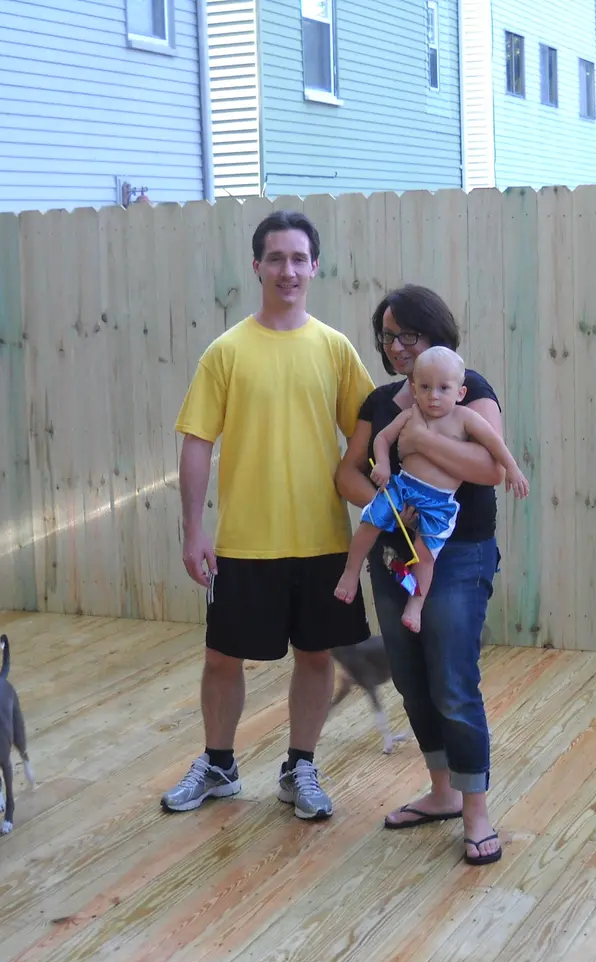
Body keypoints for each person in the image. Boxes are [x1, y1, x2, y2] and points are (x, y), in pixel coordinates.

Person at [162, 209, 375, 821]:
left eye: (298, 259)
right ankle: (220, 766)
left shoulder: (335, 350)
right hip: (245, 545)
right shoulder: (226, 352)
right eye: (275, 258)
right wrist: (193, 530)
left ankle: (299, 767)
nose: (288, 270)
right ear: (256, 266)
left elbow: (367, 434)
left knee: (315, 658)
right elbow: (197, 442)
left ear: (315, 267)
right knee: (222, 658)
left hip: (321, 541)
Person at [335, 285, 511, 866]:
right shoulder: (380, 402)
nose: (397, 346)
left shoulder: (467, 388)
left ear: (436, 335)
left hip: (459, 558)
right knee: (410, 677)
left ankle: (476, 811)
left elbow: (489, 468)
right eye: (388, 336)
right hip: (396, 555)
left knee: (454, 681)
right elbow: (348, 477)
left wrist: (418, 439)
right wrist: (391, 506)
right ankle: (441, 793)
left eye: (408, 333)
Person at [335, 346, 528, 633]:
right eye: (425, 388)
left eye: (443, 388)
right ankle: (350, 573)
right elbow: (383, 439)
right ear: (414, 390)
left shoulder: (464, 418)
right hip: (403, 488)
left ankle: (416, 605)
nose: (433, 396)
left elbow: (494, 443)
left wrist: (512, 467)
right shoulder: (410, 415)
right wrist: (384, 466)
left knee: (425, 556)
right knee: (370, 523)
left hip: (439, 503)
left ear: (460, 393)